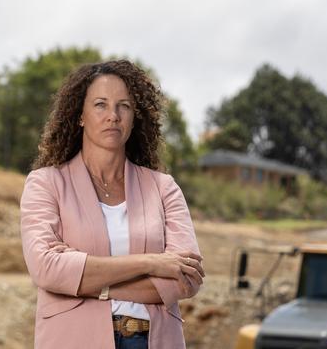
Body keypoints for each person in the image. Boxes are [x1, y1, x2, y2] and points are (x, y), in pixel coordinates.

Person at [20, 59, 204, 349]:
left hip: (153, 341)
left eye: (124, 106)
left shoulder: (163, 188)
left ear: (134, 118)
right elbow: (47, 268)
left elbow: (186, 278)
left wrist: (89, 283)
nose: (113, 116)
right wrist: (151, 262)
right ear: (80, 115)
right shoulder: (46, 183)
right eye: (100, 105)